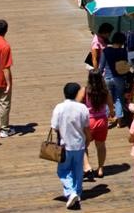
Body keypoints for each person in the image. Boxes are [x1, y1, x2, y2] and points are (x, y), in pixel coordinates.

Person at [51, 82, 90, 210]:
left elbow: (55, 127)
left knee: (62, 170)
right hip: (79, 144)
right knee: (78, 170)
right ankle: (77, 193)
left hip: (65, 145)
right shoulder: (82, 108)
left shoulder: (59, 108)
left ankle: (70, 192)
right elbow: (86, 128)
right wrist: (88, 140)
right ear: (76, 93)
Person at [83, 70, 114, 180]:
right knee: (100, 146)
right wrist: (112, 114)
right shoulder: (105, 92)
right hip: (102, 121)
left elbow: (79, 105)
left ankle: (87, 167)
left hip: (89, 121)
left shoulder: (86, 91)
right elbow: (111, 107)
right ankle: (100, 168)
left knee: (83, 146)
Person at [100, 32, 128, 126]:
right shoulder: (123, 51)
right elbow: (125, 64)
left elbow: (101, 67)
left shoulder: (106, 51)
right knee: (119, 98)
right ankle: (120, 120)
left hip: (107, 77)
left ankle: (108, 120)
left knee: (108, 99)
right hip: (119, 78)